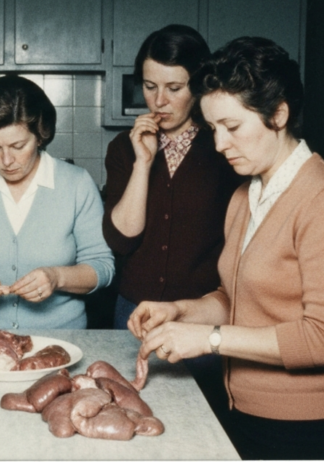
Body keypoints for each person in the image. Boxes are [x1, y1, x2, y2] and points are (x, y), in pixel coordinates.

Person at [128, 37, 324, 460]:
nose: (220, 144)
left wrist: (209, 339)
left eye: (233, 127)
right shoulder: (247, 195)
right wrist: (182, 312)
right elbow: (235, 298)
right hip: (247, 412)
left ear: (278, 114)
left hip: (310, 428)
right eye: (213, 129)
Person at [0, 75, 115, 330]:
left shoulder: (77, 183)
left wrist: (56, 277)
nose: (6, 160)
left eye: (18, 146)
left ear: (40, 136)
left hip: (60, 340)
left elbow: (102, 267)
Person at [103, 24, 243, 327]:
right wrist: (143, 162)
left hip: (202, 313)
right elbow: (121, 240)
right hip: (134, 310)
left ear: (198, 86)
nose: (159, 101)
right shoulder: (123, 149)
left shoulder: (227, 149)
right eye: (150, 86)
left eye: (174, 88)